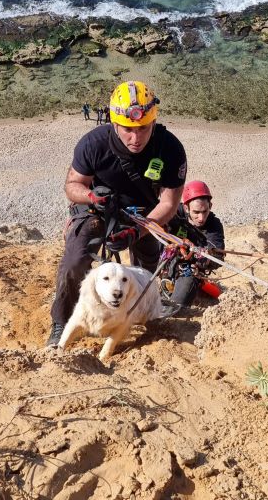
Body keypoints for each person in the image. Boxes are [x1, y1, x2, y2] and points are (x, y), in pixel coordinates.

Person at [47, 80, 187, 346]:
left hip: (145, 213)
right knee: (74, 263)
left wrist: (138, 230)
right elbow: (72, 185)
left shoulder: (170, 149)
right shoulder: (94, 144)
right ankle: (61, 321)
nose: (136, 138)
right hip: (98, 209)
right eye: (128, 130)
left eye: (143, 128)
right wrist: (91, 197)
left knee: (147, 269)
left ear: (153, 123)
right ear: (114, 124)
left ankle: (146, 314)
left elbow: (168, 203)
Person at [166, 180, 225, 309]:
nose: (201, 218)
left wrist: (197, 256)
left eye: (205, 211)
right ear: (186, 208)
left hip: (189, 269)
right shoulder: (173, 213)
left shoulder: (214, 226)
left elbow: (218, 258)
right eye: (196, 212)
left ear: (210, 206)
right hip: (163, 259)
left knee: (176, 307)